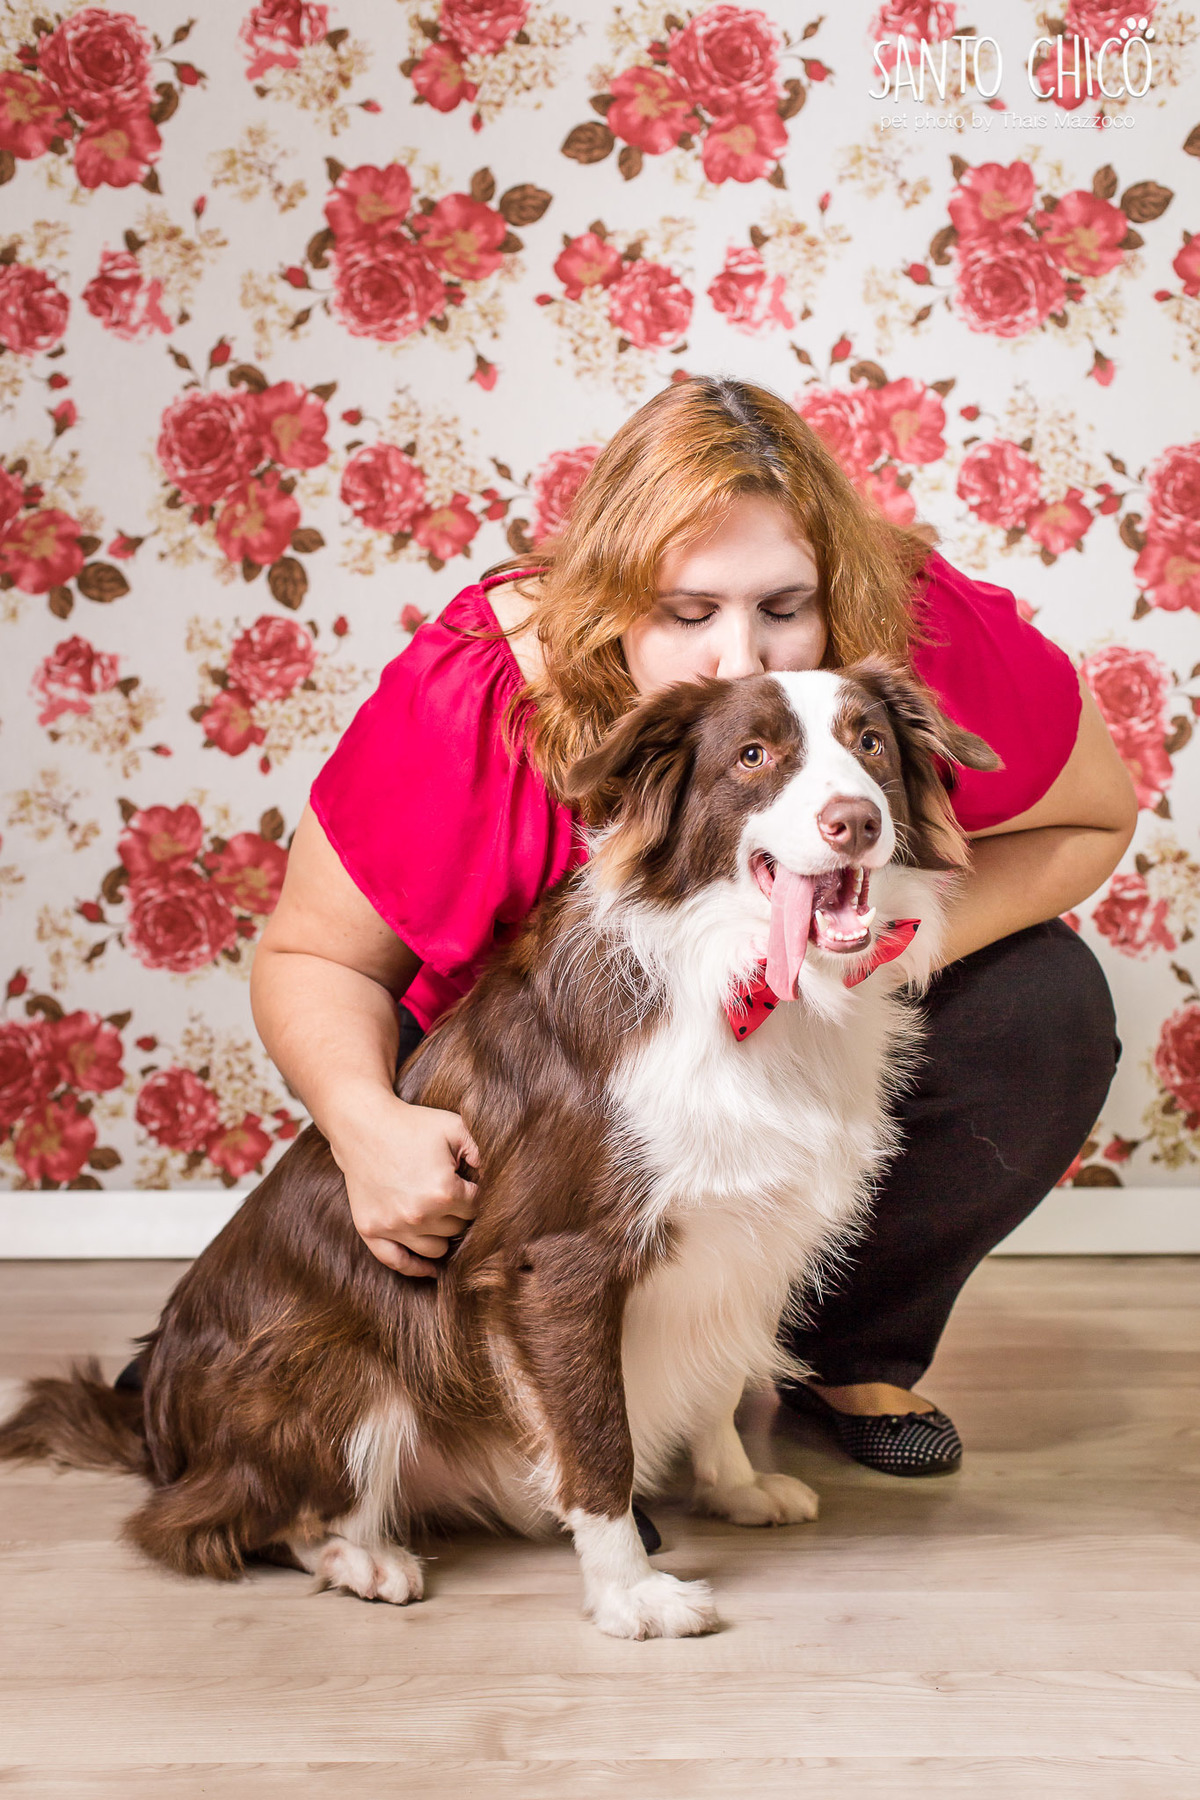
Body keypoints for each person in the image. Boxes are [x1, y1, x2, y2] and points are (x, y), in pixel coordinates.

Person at [243, 376, 1131, 1502]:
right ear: (611, 596)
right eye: (687, 610)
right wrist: (366, 1126)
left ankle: (836, 1357)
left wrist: (886, 942)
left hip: (791, 1035)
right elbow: (314, 956)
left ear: (834, 584)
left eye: (782, 606)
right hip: (545, 1110)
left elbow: (1096, 810)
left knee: (1042, 1005)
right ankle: (575, 1401)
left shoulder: (916, 628)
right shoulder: (474, 688)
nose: (739, 658)